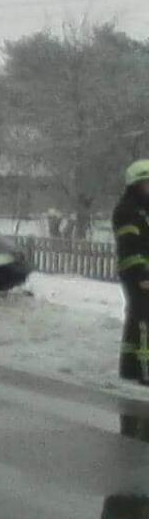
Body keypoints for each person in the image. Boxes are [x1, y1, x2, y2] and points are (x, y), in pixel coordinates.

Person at [114, 159, 149, 384]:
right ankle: (142, 370)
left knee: (137, 319)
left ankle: (130, 368)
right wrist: (142, 275)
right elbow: (130, 247)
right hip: (138, 274)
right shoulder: (128, 211)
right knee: (143, 321)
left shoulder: (142, 209)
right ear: (136, 185)